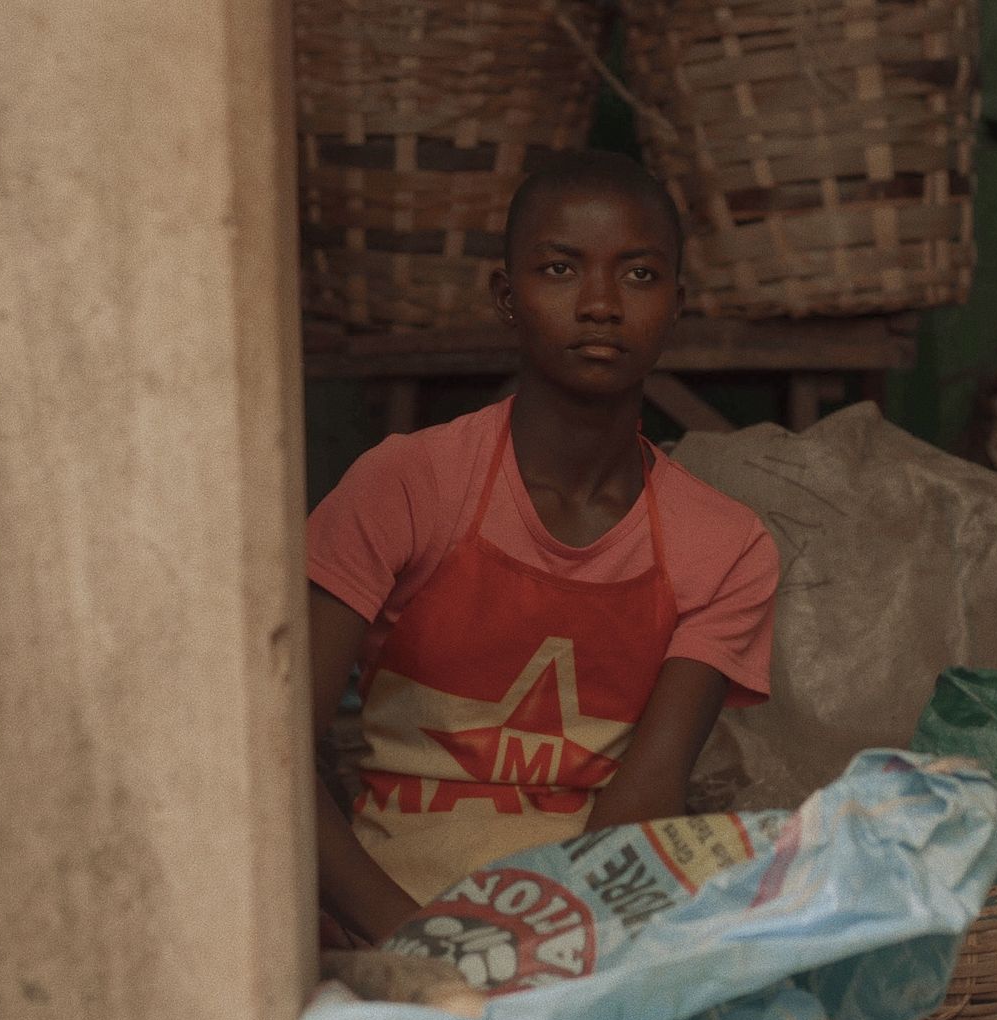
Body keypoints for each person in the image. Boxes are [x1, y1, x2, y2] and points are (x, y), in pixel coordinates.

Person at [307, 150, 779, 944]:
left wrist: (544, 960)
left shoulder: (726, 548)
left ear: (676, 305)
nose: (599, 304)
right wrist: (416, 946)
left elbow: (644, 802)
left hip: (588, 926)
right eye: (561, 268)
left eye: (638, 275)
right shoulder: (405, 485)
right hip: (389, 918)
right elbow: (275, 756)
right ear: (506, 296)